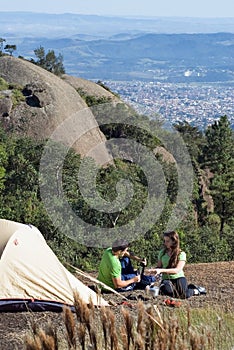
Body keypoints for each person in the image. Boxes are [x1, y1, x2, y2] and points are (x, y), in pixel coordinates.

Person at [148, 231, 206, 299]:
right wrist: (154, 272)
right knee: (167, 293)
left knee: (184, 295)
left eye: (167, 241)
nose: (165, 243)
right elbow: (159, 267)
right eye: (164, 241)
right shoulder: (162, 253)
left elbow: (177, 270)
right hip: (166, 279)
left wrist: (160, 270)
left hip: (178, 277)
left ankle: (195, 290)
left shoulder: (181, 254)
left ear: (174, 241)